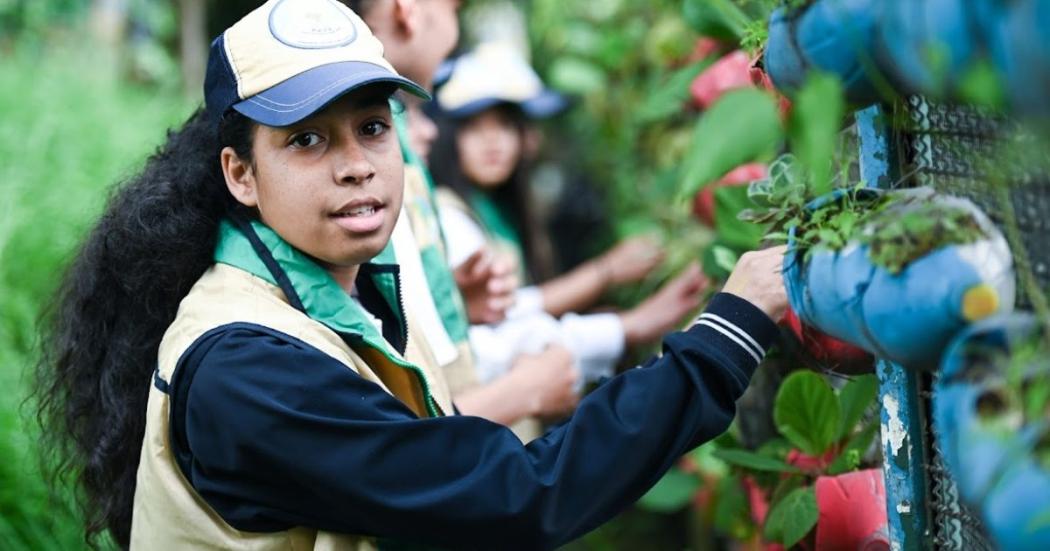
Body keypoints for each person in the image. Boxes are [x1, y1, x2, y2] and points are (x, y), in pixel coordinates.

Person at [33, 1, 788, 549]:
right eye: (306, 140)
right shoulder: (247, 370)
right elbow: (515, 496)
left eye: (371, 126)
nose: (357, 163)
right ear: (240, 174)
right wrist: (725, 333)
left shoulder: (338, 290)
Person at [342, 0, 584, 435]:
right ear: (408, 10)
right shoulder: (402, 189)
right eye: (399, 117)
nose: (427, 130)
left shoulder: (463, 199)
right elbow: (402, 424)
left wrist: (456, 303)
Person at [429, 43, 709, 393]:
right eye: (473, 127)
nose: (493, 142)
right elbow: (504, 315)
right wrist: (607, 278)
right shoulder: (448, 214)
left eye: (504, 125)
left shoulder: (496, 208)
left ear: (527, 137)